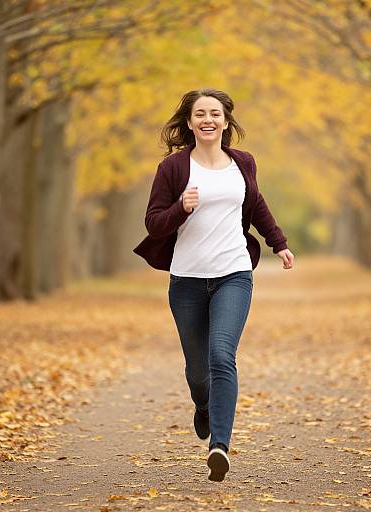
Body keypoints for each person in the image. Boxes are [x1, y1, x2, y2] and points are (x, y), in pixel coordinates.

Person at [133, 88, 295, 482]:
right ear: (189, 123)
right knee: (198, 371)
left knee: (222, 356)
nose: (208, 119)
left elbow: (256, 206)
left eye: (215, 113)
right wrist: (180, 208)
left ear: (226, 121)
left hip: (233, 274)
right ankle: (203, 406)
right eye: (200, 113)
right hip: (187, 279)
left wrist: (279, 244)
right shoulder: (173, 169)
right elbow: (154, 222)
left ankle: (219, 445)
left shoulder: (243, 163)